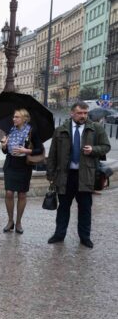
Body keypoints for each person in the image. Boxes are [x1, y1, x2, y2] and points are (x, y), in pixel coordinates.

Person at [46, 101, 110, 248]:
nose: (83, 116)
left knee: (85, 209)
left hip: (86, 175)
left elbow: (106, 147)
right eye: (80, 113)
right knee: (63, 208)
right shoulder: (60, 130)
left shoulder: (96, 128)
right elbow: (52, 154)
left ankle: (85, 237)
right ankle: (59, 234)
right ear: (72, 113)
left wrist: (93, 149)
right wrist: (50, 175)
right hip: (65, 176)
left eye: (85, 113)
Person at [0, 109, 44, 234]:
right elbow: (6, 150)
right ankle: (10, 221)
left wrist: (26, 151)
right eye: (14, 117)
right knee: (9, 193)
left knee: (22, 194)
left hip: (24, 165)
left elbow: (39, 149)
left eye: (17, 117)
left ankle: (18, 222)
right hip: (10, 164)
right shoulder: (11, 130)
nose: (14, 119)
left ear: (24, 119)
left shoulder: (31, 131)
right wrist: (3, 145)